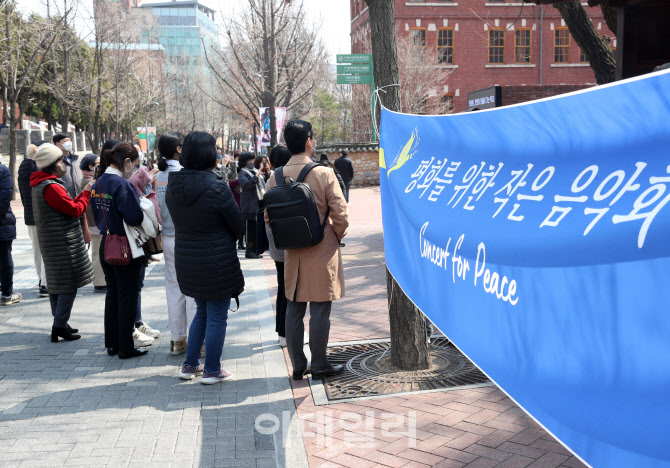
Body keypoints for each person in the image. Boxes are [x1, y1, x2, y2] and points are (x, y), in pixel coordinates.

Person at [265, 120, 349, 380]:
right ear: (309, 141)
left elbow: (269, 217)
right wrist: (334, 235)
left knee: (294, 309)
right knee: (320, 310)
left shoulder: (274, 176)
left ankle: (298, 365)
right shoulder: (323, 173)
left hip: (293, 253)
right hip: (322, 251)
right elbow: (341, 214)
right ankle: (320, 364)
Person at [166, 131, 244, 384]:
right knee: (217, 315)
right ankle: (212, 369)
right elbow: (238, 225)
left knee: (201, 312)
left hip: (188, 258)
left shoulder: (173, 185)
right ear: (210, 154)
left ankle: (190, 365)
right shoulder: (216, 186)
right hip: (216, 260)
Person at [90, 142, 148, 359]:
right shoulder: (122, 185)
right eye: (134, 164)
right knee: (128, 298)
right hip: (124, 246)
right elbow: (134, 217)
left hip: (107, 243)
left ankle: (112, 343)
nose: (134, 168)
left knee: (113, 295)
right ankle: (126, 347)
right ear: (126, 162)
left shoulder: (99, 183)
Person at [31, 144, 94, 340]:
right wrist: (85, 193)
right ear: (51, 164)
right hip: (62, 242)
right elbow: (74, 209)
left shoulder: (41, 183)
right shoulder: (51, 186)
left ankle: (60, 322)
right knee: (67, 284)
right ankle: (59, 324)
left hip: (53, 241)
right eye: (59, 160)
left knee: (57, 283)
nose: (63, 164)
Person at [155, 132, 197, 355]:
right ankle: (195, 339)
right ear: (179, 149)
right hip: (184, 236)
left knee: (173, 288)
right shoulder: (183, 174)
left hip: (167, 236)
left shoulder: (159, 176)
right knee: (191, 289)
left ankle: (177, 339)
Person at [266, 145, 292, 347]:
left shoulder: (271, 178)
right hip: (287, 241)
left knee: (283, 286)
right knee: (288, 288)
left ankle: (282, 332)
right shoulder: (283, 177)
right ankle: (285, 333)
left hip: (276, 240)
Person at [18, 141, 48, 297]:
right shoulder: (37, 167)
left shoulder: (24, 166)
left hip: (30, 216)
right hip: (41, 216)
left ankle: (41, 280)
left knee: (38, 251)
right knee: (45, 251)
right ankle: (44, 283)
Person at [80, 153, 107, 294]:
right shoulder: (88, 181)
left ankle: (101, 280)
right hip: (94, 222)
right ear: (90, 166)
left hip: (95, 222)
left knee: (98, 251)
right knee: (97, 253)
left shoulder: (91, 180)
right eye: (97, 163)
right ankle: (100, 282)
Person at [0, 154, 21, 307]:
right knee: (5, 260)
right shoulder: (3, 170)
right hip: (2, 222)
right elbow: (4, 199)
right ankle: (7, 294)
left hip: (3, 224)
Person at [238, 152, 263, 259]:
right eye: (250, 160)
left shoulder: (254, 171)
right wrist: (256, 176)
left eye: (252, 160)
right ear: (244, 162)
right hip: (249, 205)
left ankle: (255, 250)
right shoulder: (242, 173)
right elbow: (247, 185)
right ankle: (249, 251)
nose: (252, 162)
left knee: (256, 228)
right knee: (250, 230)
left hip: (256, 204)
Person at [52, 133, 83, 199]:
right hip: (64, 198)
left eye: (69, 141)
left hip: (79, 197)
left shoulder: (77, 159)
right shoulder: (54, 161)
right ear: (57, 144)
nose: (69, 143)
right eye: (65, 141)